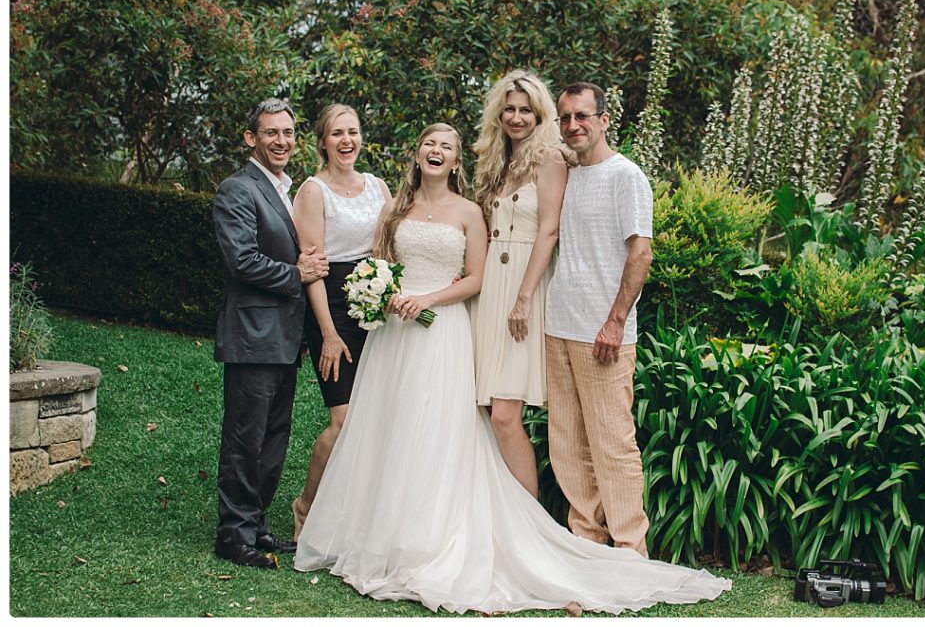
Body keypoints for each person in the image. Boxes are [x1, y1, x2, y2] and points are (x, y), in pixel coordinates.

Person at [294, 123, 731, 614]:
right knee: (390, 429)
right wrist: (382, 290)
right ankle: (384, 533)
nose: (436, 152)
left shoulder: (470, 212)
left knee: (442, 429)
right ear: (416, 155)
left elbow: (477, 277)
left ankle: (442, 535)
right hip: (394, 337)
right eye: (428, 145)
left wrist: (430, 298)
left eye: (447, 147)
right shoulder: (394, 209)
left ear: (458, 161)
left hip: (443, 330)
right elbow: (381, 262)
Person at [211, 98, 329, 569]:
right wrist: (296, 274)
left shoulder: (285, 190)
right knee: (244, 438)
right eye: (270, 133)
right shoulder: (237, 189)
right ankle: (232, 535)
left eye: (287, 133)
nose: (281, 141)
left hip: (283, 337)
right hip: (252, 334)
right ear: (251, 138)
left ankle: (255, 524)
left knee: (274, 436)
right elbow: (240, 260)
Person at [544, 82, 654, 556]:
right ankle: (587, 548)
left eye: (582, 116)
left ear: (605, 120)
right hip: (558, 326)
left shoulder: (626, 176)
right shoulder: (565, 176)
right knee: (568, 446)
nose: (573, 126)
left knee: (613, 446)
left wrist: (614, 321)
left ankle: (630, 552)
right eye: (565, 118)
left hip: (604, 334)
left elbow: (641, 253)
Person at [289, 104, 391, 540]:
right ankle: (305, 508)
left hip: (377, 307)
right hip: (331, 307)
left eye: (352, 132)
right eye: (337, 134)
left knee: (379, 418)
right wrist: (327, 334)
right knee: (344, 419)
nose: (346, 141)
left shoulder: (379, 187)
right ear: (323, 142)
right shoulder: (312, 191)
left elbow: (391, 247)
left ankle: (358, 514)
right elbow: (312, 266)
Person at [470, 70, 569, 497]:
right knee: (485, 404)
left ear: (539, 113)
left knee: (506, 414)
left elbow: (549, 231)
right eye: (509, 109)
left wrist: (524, 298)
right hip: (490, 285)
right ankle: (496, 512)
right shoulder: (496, 161)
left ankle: (529, 520)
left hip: (524, 285)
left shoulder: (552, 158)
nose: (516, 117)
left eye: (525, 109)